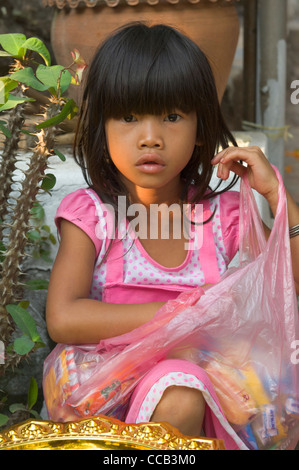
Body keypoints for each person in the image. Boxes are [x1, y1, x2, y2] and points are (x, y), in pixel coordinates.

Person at [45, 22, 299, 449]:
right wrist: (183, 318)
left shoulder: (223, 218)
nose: (150, 137)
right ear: (101, 128)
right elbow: (64, 319)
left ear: (201, 129)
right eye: (128, 117)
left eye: (172, 116)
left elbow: (288, 283)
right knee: (180, 386)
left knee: (190, 383)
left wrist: (278, 196)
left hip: (209, 393)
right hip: (109, 398)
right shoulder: (95, 216)